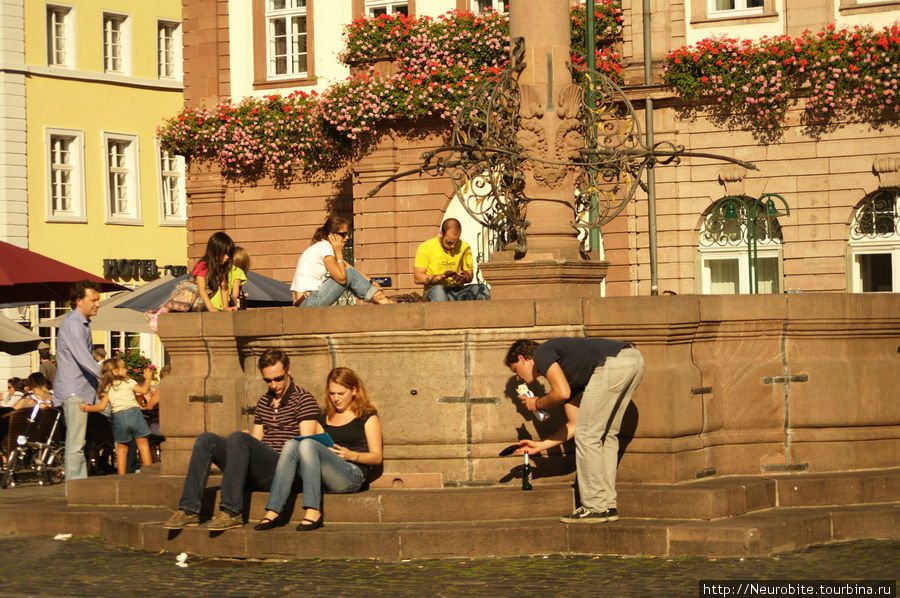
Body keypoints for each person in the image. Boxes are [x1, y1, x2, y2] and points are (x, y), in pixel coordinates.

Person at [163, 349, 320, 532]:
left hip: (286, 470)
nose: (273, 384)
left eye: (278, 378)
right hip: (262, 470)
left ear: (288, 371)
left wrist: (245, 441)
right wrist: (246, 443)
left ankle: (231, 511)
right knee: (207, 440)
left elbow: (305, 445)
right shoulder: (263, 402)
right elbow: (257, 439)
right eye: (267, 380)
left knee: (239, 437)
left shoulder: (304, 399)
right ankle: (189, 509)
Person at [505, 337, 644, 524]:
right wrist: (540, 446)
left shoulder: (542, 353)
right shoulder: (570, 373)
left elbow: (561, 393)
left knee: (589, 436)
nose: (518, 377)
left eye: (516, 370)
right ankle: (607, 506)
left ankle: (594, 507)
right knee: (605, 434)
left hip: (612, 363)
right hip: (633, 360)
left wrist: (536, 403)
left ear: (522, 358)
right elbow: (574, 425)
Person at [254, 367, 383, 532]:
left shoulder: (367, 417)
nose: (336, 398)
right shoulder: (323, 418)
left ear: (354, 391)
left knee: (307, 443)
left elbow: (377, 457)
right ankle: (273, 509)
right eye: (332, 393)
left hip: (352, 474)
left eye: (340, 393)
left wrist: (353, 455)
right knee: (293, 444)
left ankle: (313, 510)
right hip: (328, 475)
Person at [54, 280, 102, 488]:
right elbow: (84, 359)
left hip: (84, 390)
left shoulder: (80, 322)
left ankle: (79, 487)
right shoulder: (74, 324)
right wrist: (110, 377)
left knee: (79, 441)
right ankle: (76, 489)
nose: (97, 304)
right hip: (75, 391)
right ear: (79, 301)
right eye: (93, 300)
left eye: (98, 300)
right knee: (75, 443)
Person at [290, 216, 394, 307]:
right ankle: (383, 301)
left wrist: (372, 282)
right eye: (343, 234)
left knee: (349, 272)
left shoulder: (323, 247)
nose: (347, 237)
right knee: (347, 274)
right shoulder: (324, 249)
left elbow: (351, 269)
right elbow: (342, 278)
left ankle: (380, 299)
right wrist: (338, 252)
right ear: (332, 235)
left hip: (307, 301)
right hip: (310, 301)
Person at [147, 232, 236, 331]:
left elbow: (224, 288)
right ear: (215, 251)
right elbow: (201, 289)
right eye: (224, 253)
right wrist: (211, 307)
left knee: (182, 312)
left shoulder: (222, 269)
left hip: (199, 299)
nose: (227, 257)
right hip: (189, 292)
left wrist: (226, 307)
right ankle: (158, 316)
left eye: (229, 254)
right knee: (175, 306)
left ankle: (160, 316)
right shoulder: (203, 265)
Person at [79, 358, 154, 475]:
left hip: (118, 417)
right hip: (134, 414)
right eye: (123, 368)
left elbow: (101, 406)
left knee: (122, 449)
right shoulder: (129, 381)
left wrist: (87, 408)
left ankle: (121, 476)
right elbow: (144, 390)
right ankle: (150, 473)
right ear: (115, 371)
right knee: (143, 444)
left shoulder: (106, 387)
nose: (126, 369)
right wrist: (148, 378)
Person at [413, 218, 490, 302]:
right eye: (449, 242)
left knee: (482, 289)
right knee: (439, 290)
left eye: (456, 242)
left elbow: (470, 275)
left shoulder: (464, 247)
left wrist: (463, 277)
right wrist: (440, 277)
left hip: (458, 290)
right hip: (434, 291)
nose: (453, 246)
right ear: (441, 234)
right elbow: (418, 278)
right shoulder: (426, 247)